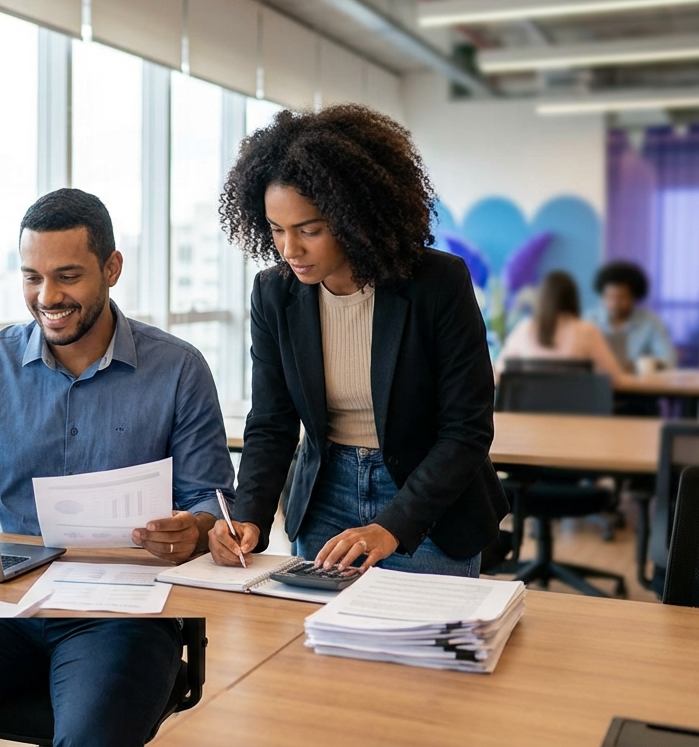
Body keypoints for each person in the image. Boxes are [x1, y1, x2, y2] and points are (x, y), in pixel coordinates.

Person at [0, 188, 236, 747]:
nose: (47, 296)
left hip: (124, 611)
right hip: (5, 600)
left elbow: (211, 500)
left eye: (68, 276)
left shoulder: (178, 368)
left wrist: (192, 529)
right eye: (32, 276)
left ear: (112, 268)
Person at [208, 104, 506, 578]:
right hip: (324, 496)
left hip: (426, 505)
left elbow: (466, 430)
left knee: (419, 647)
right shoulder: (274, 292)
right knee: (320, 647)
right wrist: (249, 517)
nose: (290, 249)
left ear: (354, 217)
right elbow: (271, 421)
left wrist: (392, 526)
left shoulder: (437, 282)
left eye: (309, 230)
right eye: (276, 230)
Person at [495, 271, 631, 387]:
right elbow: (614, 378)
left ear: (541, 299)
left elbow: (499, 372)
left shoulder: (524, 328)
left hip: (526, 412)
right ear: (573, 298)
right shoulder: (586, 331)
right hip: (577, 413)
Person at [587, 260, 677, 372]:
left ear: (634, 296)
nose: (615, 303)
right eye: (609, 297)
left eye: (621, 297)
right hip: (598, 383)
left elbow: (669, 359)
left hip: (637, 386)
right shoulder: (589, 320)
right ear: (602, 295)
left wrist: (638, 366)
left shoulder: (650, 322)